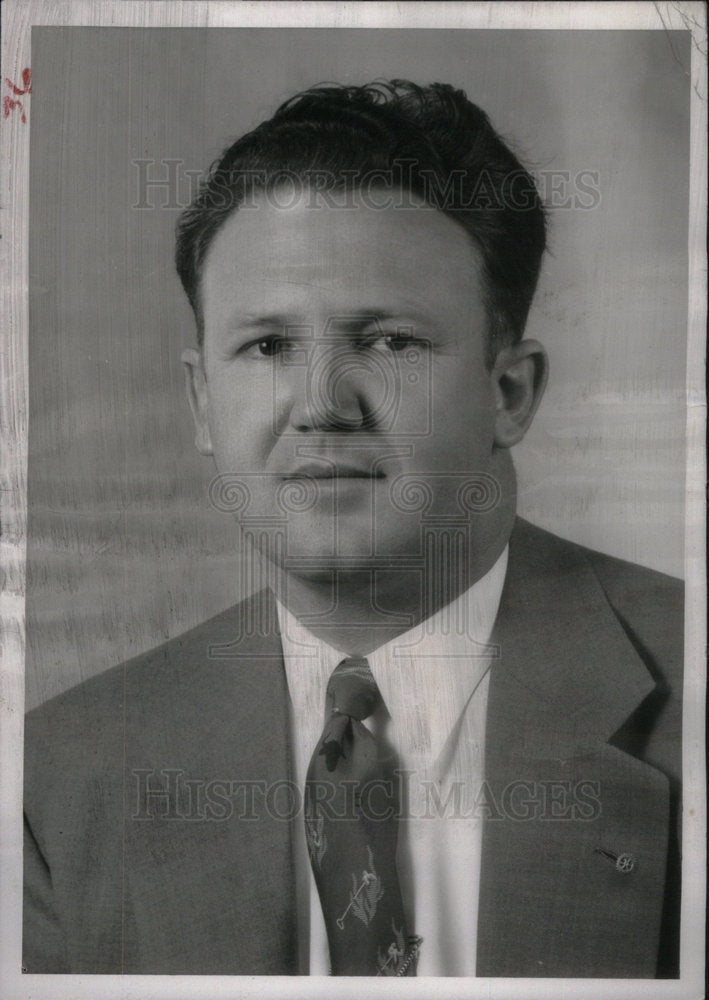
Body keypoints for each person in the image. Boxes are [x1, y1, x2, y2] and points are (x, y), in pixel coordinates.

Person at [23, 80, 682, 977]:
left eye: (388, 343)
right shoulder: (56, 779)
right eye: (268, 347)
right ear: (201, 403)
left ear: (509, 393)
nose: (322, 407)